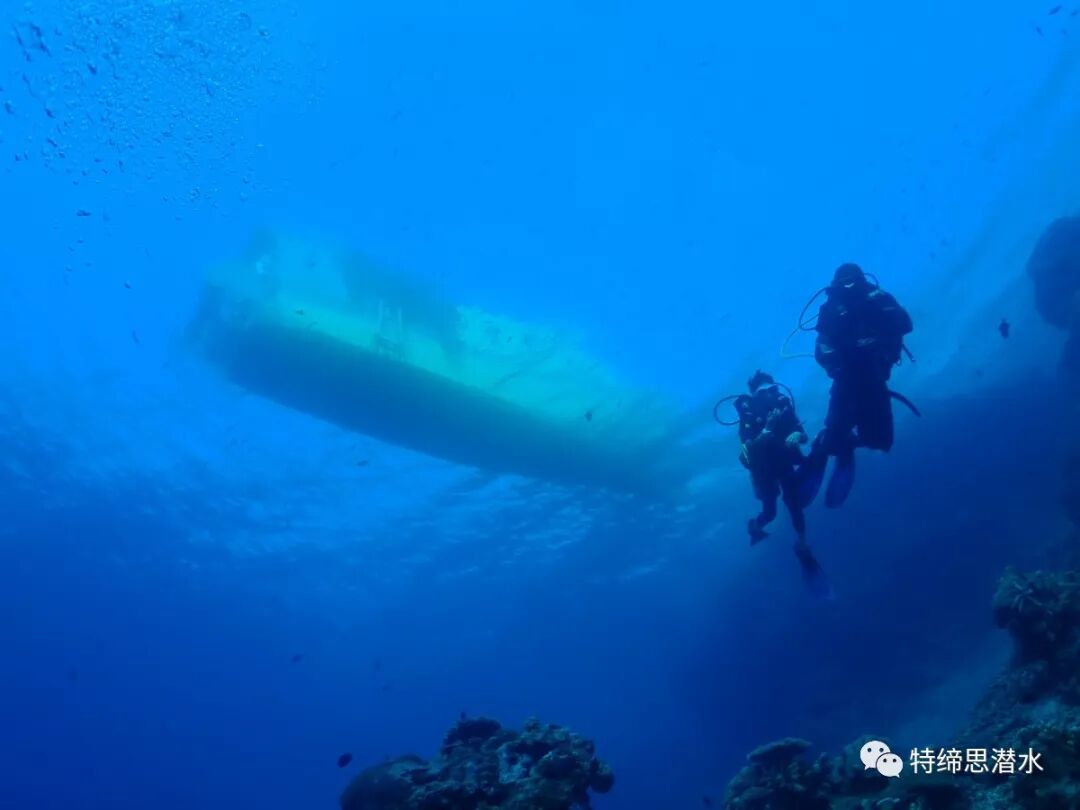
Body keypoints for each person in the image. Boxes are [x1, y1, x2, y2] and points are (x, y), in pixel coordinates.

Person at [800, 263, 915, 508]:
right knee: (835, 433)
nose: (850, 286)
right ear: (837, 285)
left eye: (854, 280)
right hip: (847, 380)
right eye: (845, 282)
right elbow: (822, 349)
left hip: (875, 376)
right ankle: (826, 445)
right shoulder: (831, 309)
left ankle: (847, 443)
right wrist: (843, 357)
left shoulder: (878, 298)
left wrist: (877, 334)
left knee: (881, 441)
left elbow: (905, 324)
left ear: (863, 279)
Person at [735, 371, 830, 596]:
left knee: (794, 503)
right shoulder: (748, 415)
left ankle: (803, 545)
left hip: (785, 463)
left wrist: (798, 436)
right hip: (764, 471)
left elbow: (801, 433)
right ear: (755, 394)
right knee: (771, 512)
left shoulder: (784, 405)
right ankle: (755, 527)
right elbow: (749, 451)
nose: (770, 394)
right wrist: (767, 428)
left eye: (773, 389)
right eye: (763, 391)